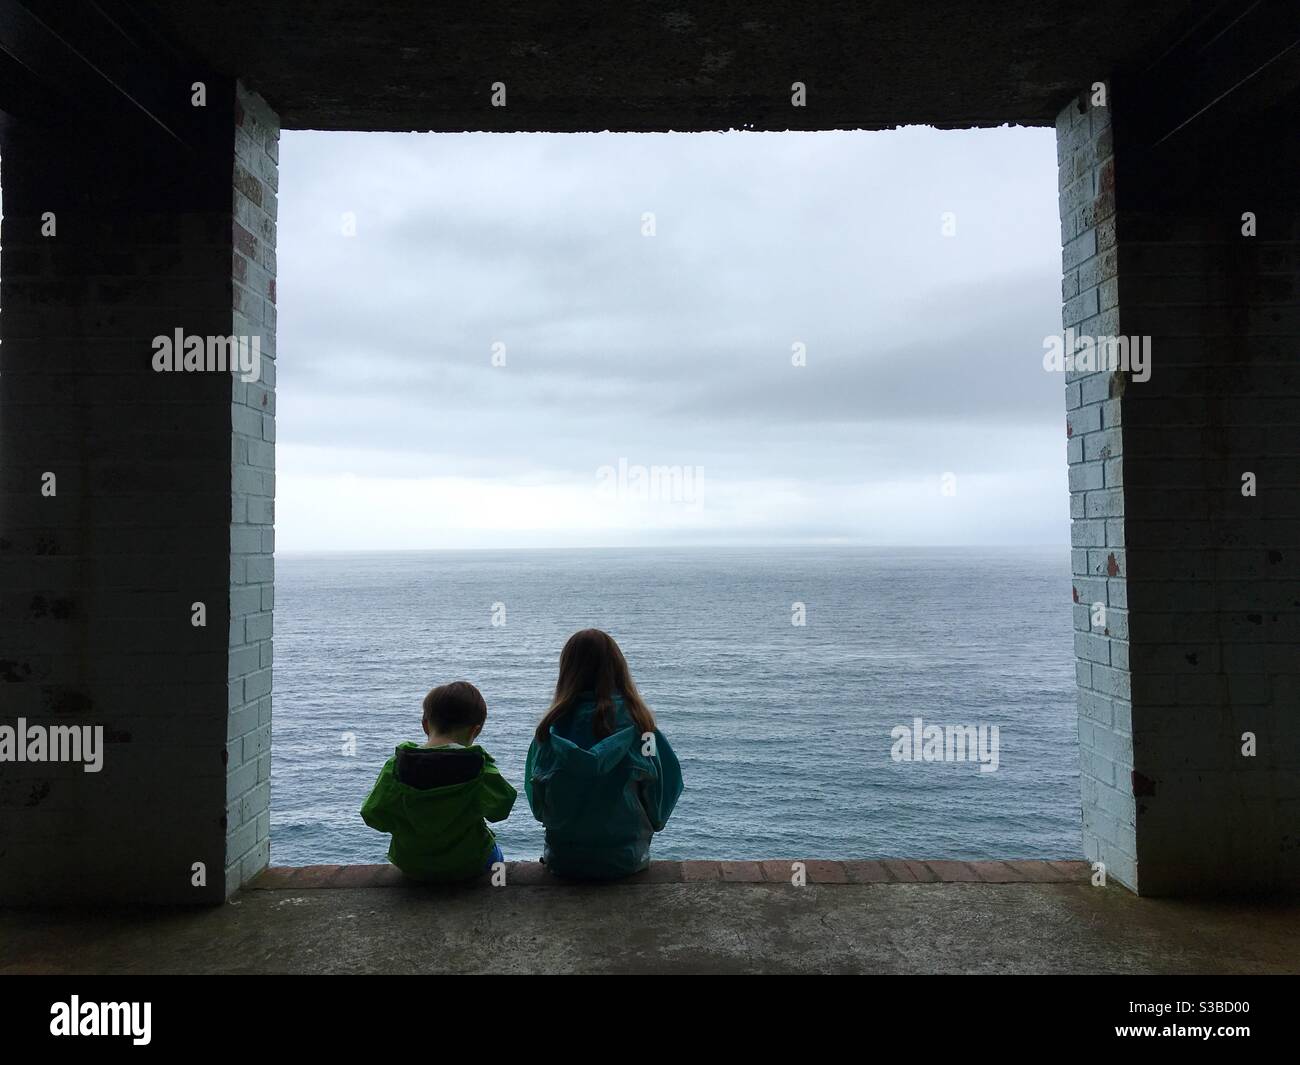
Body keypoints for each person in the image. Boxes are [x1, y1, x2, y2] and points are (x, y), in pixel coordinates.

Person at [525, 629, 682, 879]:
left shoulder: (548, 732)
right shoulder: (642, 730)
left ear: (566, 672)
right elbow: (664, 791)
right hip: (626, 859)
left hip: (564, 860)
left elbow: (538, 805)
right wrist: (652, 822)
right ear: (618, 669)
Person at [361, 680, 516, 881]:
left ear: (425, 724)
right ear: (475, 731)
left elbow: (373, 814)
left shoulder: (398, 765)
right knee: (496, 853)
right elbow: (500, 810)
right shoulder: (479, 766)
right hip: (469, 862)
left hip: (412, 864)